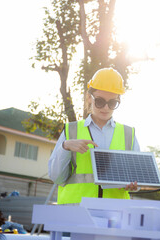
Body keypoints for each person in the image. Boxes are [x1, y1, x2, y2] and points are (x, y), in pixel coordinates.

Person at [48, 67, 140, 204]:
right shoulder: (71, 130)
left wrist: (134, 186)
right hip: (76, 213)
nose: (106, 108)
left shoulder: (128, 134)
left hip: (114, 215)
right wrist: (65, 147)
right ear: (89, 98)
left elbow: (137, 178)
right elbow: (57, 177)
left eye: (112, 103)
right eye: (100, 101)